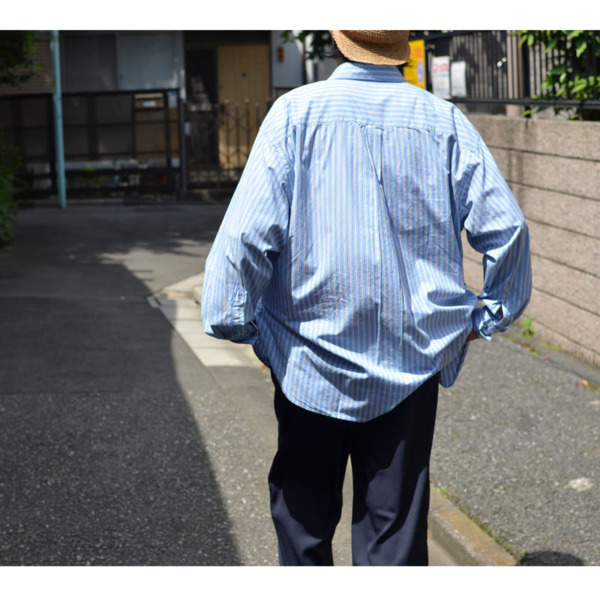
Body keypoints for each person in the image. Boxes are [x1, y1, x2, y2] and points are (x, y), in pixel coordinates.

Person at [201, 30, 532, 566]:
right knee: (394, 534)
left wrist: (238, 324)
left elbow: (245, 239)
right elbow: (508, 228)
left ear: (336, 41)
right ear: (399, 48)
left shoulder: (295, 115)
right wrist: (487, 315)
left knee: (303, 524)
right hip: (412, 360)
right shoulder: (443, 121)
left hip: (307, 356)